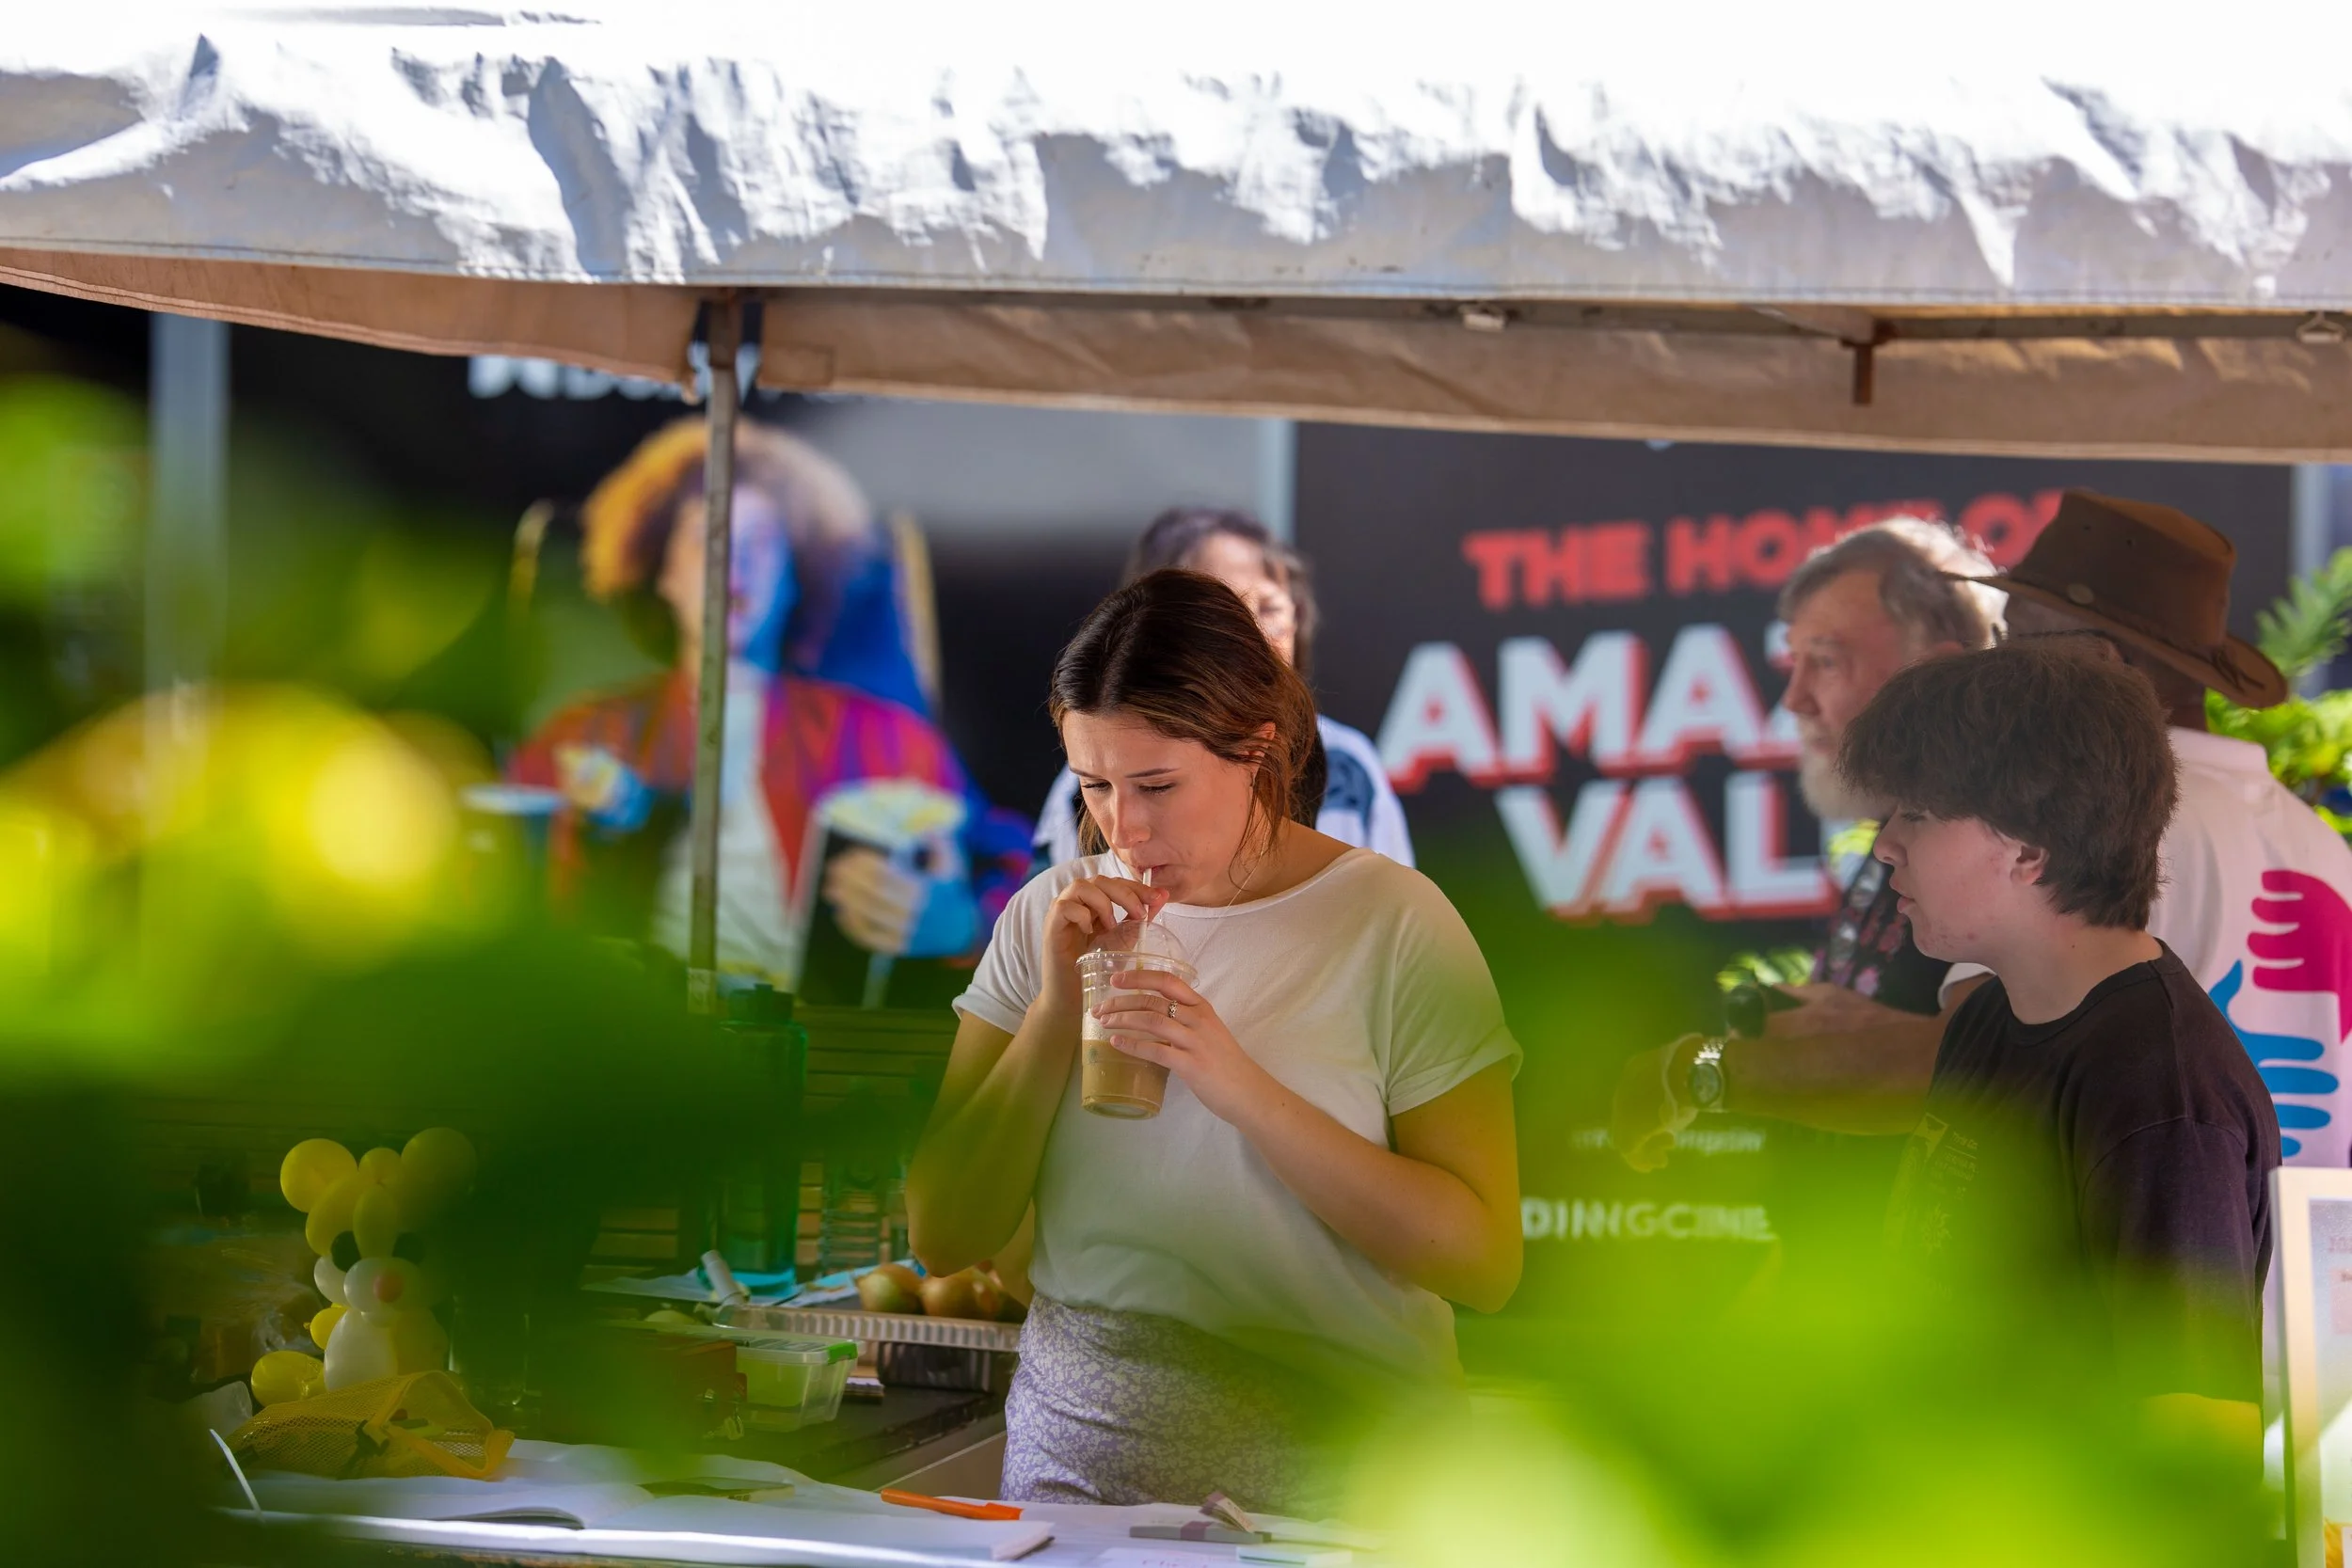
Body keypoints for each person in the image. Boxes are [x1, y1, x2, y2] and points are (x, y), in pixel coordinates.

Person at [909, 570, 1521, 1512]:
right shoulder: (1048, 913)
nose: (1126, 825)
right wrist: (1050, 1014)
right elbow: (942, 1232)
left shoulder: (1394, 921)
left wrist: (1237, 1084)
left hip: (1348, 1461)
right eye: (1095, 785)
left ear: (1255, 748)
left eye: (1158, 783)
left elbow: (1482, 1260)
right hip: (1080, 1460)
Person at [1612, 492, 2352, 1175]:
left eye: (2020, 644)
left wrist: (1700, 1071)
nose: (1998, 667)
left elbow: (1963, 1071)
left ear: (2100, 665)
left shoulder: (2096, 813)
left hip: (2146, 1290)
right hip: (2304, 1298)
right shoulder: (2320, 844)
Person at [1849, 639, 2275, 1458]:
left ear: (2029, 849)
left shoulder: (2162, 1089)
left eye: (1919, 814)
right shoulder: (1991, 1018)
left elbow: (2196, 1452)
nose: (1885, 843)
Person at [509, 418, 1028, 995]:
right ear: (663, 572)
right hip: (631, 1035)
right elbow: (488, 892)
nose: (733, 566)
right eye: (706, 542)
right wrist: (578, 838)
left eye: (760, 544)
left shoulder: (885, 738)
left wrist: (963, 926)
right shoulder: (586, 734)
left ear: (793, 578)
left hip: (808, 1039)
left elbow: (1027, 874)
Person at [1612, 518, 2002, 1170]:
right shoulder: (1902, 819)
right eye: (1795, 661)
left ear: (1933, 665)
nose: (1795, 698)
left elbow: (1967, 1066)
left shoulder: (1993, 829)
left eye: (1825, 660)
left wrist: (1698, 1070)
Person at [1033, 508, 1414, 870]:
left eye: (1270, 607)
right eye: (1221, 611)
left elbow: (1395, 913)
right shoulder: (1082, 791)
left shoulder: (1348, 769)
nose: (1252, 635)